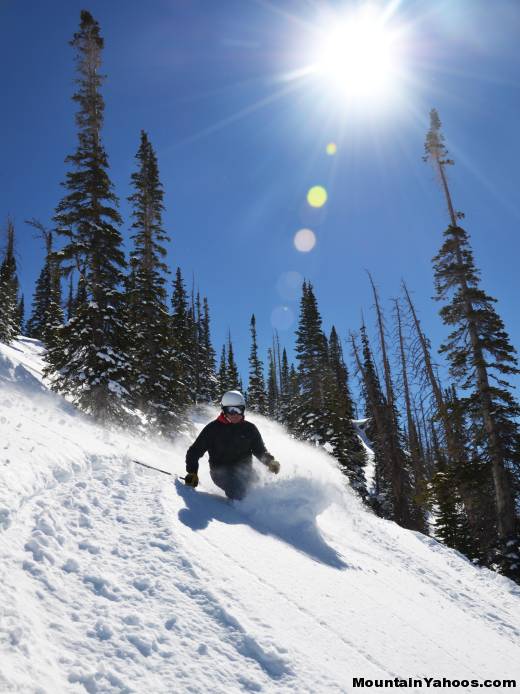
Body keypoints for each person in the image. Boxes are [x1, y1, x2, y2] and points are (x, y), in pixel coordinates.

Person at [184, 390, 280, 500]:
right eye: (230, 410)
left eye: (238, 409)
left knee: (262, 487)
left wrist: (270, 462)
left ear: (243, 410)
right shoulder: (213, 429)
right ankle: (243, 512)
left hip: (245, 472)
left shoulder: (249, 429)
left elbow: (260, 451)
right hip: (221, 473)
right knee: (239, 491)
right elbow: (194, 451)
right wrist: (192, 473)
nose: (234, 414)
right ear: (224, 410)